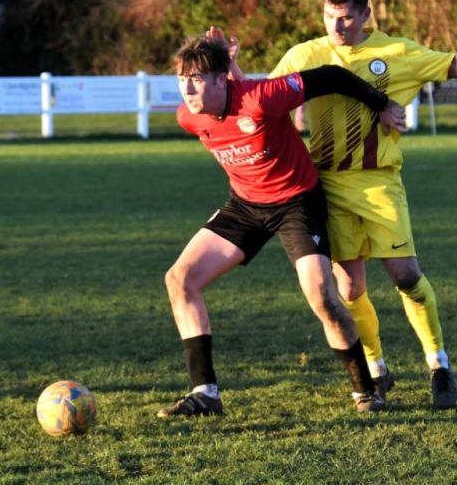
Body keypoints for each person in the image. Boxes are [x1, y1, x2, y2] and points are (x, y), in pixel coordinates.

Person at [218, 0, 457, 409]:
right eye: (329, 16)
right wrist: (231, 67)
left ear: (366, 14)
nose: (336, 26)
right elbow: (261, 97)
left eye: (345, 18)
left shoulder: (395, 52)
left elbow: (452, 63)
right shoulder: (305, 54)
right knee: (349, 288)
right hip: (328, 184)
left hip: (379, 182)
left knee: (406, 275)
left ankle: (438, 364)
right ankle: (376, 369)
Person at [157, 35, 407, 418]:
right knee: (180, 279)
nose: (187, 90)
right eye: (181, 80)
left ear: (222, 79)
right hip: (245, 206)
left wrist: (382, 104)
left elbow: (330, 75)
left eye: (196, 79)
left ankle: (367, 388)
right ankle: (205, 393)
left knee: (323, 298)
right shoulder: (188, 117)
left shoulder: (261, 97)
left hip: (297, 204)